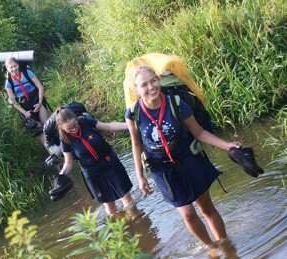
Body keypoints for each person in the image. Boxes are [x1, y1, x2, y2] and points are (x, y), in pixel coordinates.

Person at [125, 65, 242, 248]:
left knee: (206, 207)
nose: (151, 87)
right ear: (136, 89)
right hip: (162, 169)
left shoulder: (177, 104)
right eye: (144, 85)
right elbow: (137, 144)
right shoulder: (133, 113)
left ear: (159, 80)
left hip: (188, 158)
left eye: (153, 81)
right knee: (187, 213)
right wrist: (140, 176)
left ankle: (226, 245)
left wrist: (226, 145)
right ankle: (211, 247)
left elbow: (199, 133)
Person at [55, 108, 134, 216]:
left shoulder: (85, 122)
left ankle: (135, 220)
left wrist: (129, 125)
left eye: (75, 125)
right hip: (93, 173)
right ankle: (119, 228)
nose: (74, 129)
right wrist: (61, 176)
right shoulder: (64, 140)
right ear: (62, 129)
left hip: (109, 162)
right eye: (69, 129)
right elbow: (68, 162)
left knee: (126, 197)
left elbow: (108, 126)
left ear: (76, 119)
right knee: (109, 206)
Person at [4, 57, 49, 146]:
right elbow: (13, 101)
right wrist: (25, 113)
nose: (14, 69)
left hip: (36, 99)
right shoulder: (8, 82)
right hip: (25, 106)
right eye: (11, 67)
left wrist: (40, 102)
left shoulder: (27, 73)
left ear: (18, 65)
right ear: (7, 69)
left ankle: (60, 147)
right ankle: (52, 153)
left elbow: (40, 87)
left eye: (15, 66)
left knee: (46, 125)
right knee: (38, 129)